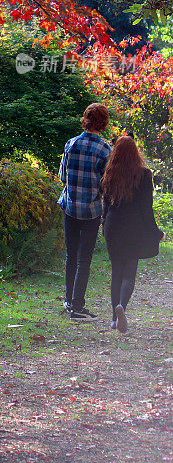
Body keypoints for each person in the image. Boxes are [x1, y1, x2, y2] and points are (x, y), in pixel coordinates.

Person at [102, 135, 165, 333]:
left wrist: (104, 225)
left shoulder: (110, 172)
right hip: (133, 228)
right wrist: (156, 232)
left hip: (113, 226)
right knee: (129, 273)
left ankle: (114, 318)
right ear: (135, 152)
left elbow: (105, 204)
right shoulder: (144, 174)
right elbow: (147, 209)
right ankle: (122, 307)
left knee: (116, 273)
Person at [58, 103, 111, 320]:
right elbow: (105, 185)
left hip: (70, 206)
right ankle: (78, 307)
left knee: (71, 256)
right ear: (103, 123)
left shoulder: (70, 144)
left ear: (85, 119)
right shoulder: (105, 150)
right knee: (84, 259)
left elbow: (62, 177)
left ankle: (69, 301)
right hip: (91, 210)